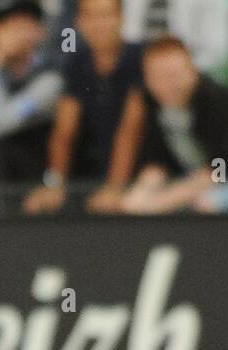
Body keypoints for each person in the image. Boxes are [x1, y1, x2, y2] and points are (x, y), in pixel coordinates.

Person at [120, 35, 228, 214]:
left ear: (193, 71)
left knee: (208, 203)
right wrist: (142, 191)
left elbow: (219, 170)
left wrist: (163, 201)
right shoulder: (150, 104)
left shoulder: (219, 103)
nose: (168, 85)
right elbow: (156, 162)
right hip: (197, 177)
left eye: (174, 75)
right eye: (158, 77)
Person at [22, 0, 144, 215]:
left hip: (142, 173)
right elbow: (64, 130)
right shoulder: (77, 63)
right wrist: (55, 183)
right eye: (91, 16)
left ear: (121, 18)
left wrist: (115, 188)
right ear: (80, 22)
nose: (99, 24)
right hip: (90, 174)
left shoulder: (139, 58)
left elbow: (131, 128)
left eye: (106, 15)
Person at [0, 1, 63, 215]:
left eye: (21, 26)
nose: (13, 35)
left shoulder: (51, 78)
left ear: (39, 32)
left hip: (40, 179)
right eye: (5, 27)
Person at [120, 0, 228, 81]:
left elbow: (218, 56)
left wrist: (172, 75)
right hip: (137, 81)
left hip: (192, 82)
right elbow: (126, 38)